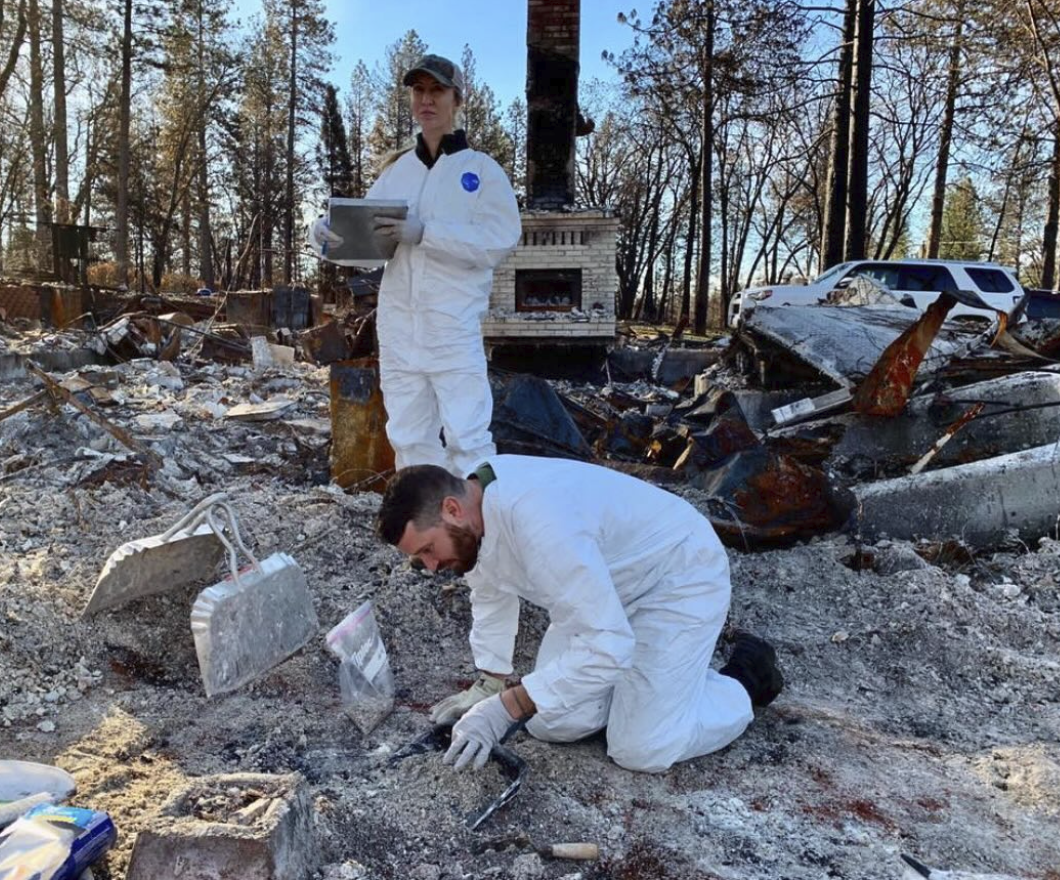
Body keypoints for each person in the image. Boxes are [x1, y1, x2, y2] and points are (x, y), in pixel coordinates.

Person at [375, 456, 784, 774]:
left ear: (452, 509)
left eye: (427, 550)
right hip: (603, 588)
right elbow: (489, 592)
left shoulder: (540, 522)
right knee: (550, 722)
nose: (429, 566)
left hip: (675, 575)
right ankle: (648, 688)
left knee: (641, 747)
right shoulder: (473, 514)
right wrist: (490, 683)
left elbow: (607, 645)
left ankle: (744, 678)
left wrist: (506, 707)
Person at [311, 54, 521, 476]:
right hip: (399, 329)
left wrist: (427, 232)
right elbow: (367, 248)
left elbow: (498, 241)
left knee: (468, 439)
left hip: (451, 327)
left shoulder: (481, 171)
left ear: (458, 99)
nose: (426, 100)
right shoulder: (397, 173)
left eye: (437, 90)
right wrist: (326, 238)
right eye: (419, 90)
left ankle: (481, 533)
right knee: (409, 436)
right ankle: (426, 536)